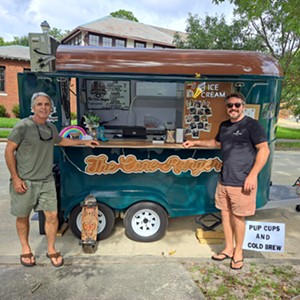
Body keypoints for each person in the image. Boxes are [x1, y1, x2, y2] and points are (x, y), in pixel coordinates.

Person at [5, 92, 99, 268]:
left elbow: (61, 141)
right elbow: (9, 151)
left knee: (52, 216)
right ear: (33, 107)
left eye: (47, 105)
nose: (43, 107)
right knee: (22, 216)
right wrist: (15, 178)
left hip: (46, 180)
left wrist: (84, 142)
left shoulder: (50, 128)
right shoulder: (22, 126)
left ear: (51, 108)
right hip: (25, 180)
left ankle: (51, 248)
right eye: (39, 104)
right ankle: (25, 249)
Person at [183, 92, 270, 270]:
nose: (233, 108)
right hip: (224, 179)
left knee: (238, 218)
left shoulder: (252, 125)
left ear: (243, 106)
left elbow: (264, 150)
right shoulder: (224, 126)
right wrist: (195, 142)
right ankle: (229, 248)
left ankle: (239, 253)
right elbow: (216, 143)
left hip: (242, 181)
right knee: (225, 215)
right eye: (230, 105)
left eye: (237, 105)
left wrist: (252, 175)